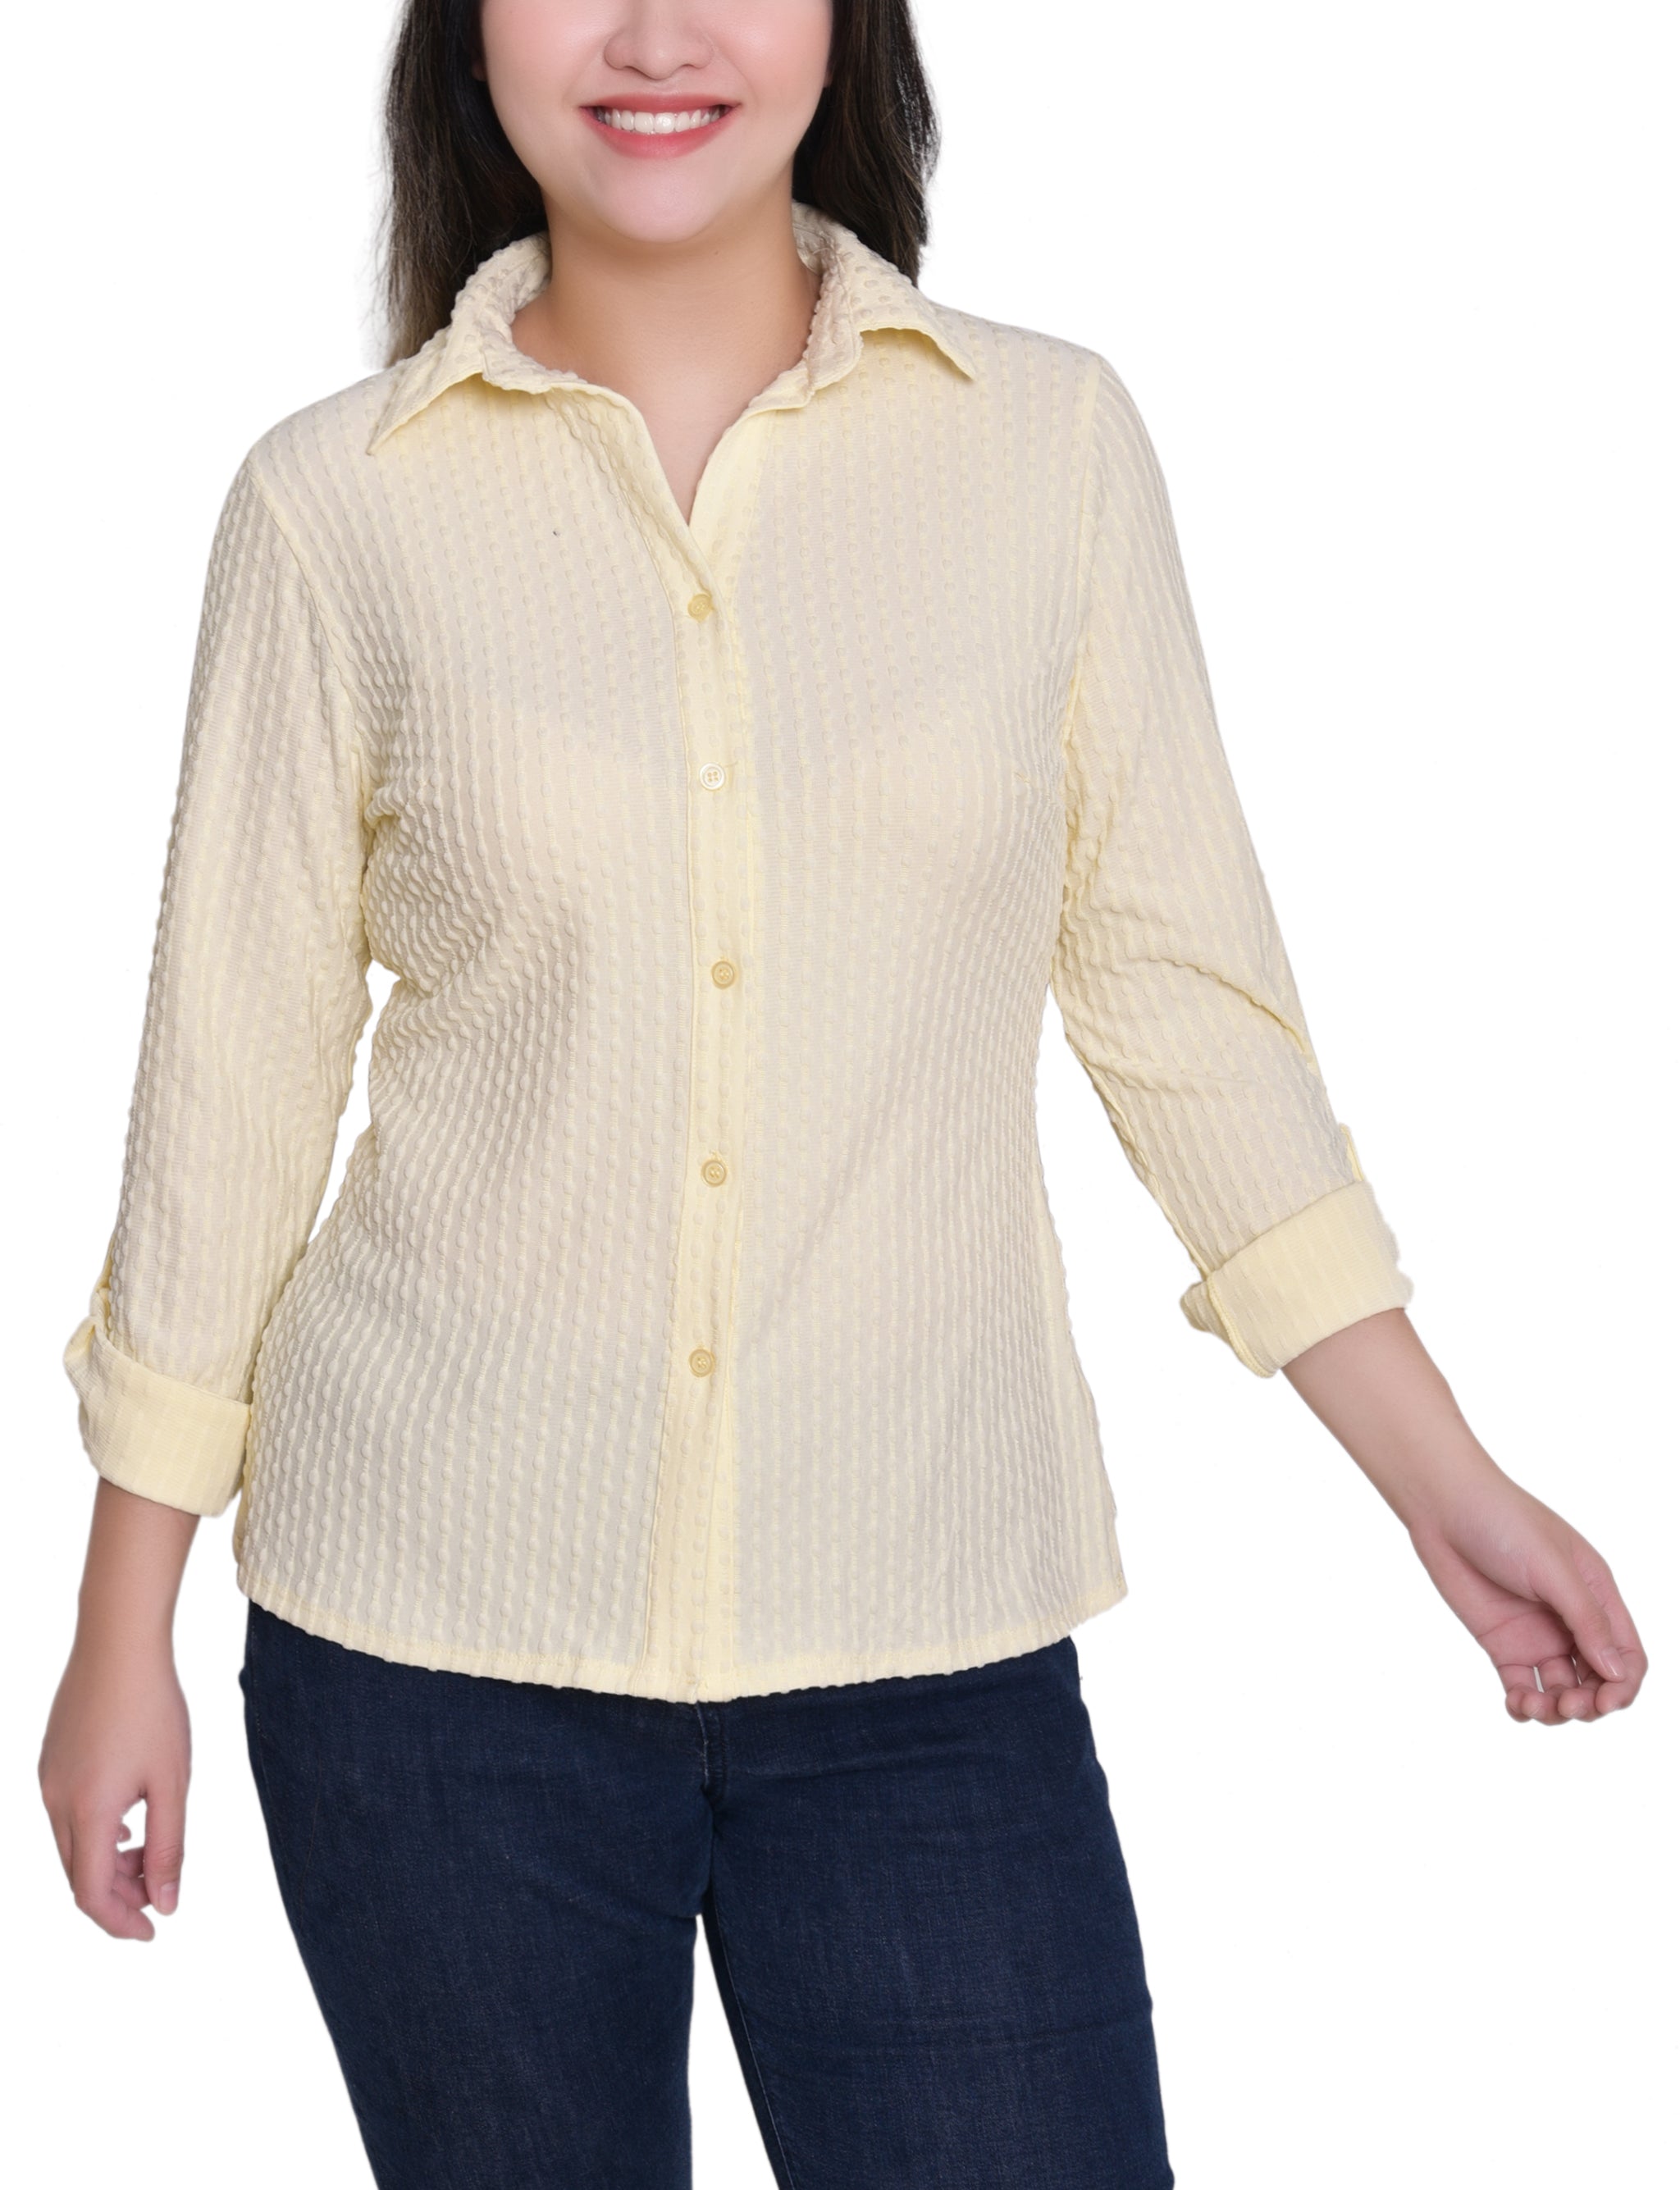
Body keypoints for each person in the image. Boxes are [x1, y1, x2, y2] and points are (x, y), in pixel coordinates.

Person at [39, 2, 1647, 2186]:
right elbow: (228, 1087)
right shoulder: (337, 507)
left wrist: (1443, 1484)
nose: (656, 34)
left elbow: (1188, 1008)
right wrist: (118, 1627)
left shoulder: (1046, 449)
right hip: (427, 1662)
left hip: (929, 1648)